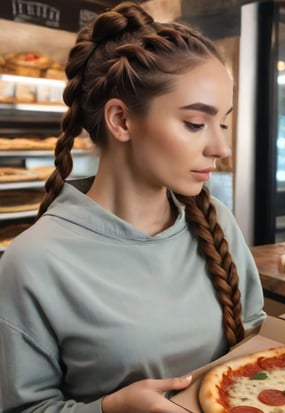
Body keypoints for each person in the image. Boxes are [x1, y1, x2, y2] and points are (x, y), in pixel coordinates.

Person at [0, 2, 266, 412]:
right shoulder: (32, 263)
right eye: (196, 123)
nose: (221, 147)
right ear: (121, 120)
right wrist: (110, 409)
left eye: (223, 123)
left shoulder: (220, 227)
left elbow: (257, 351)